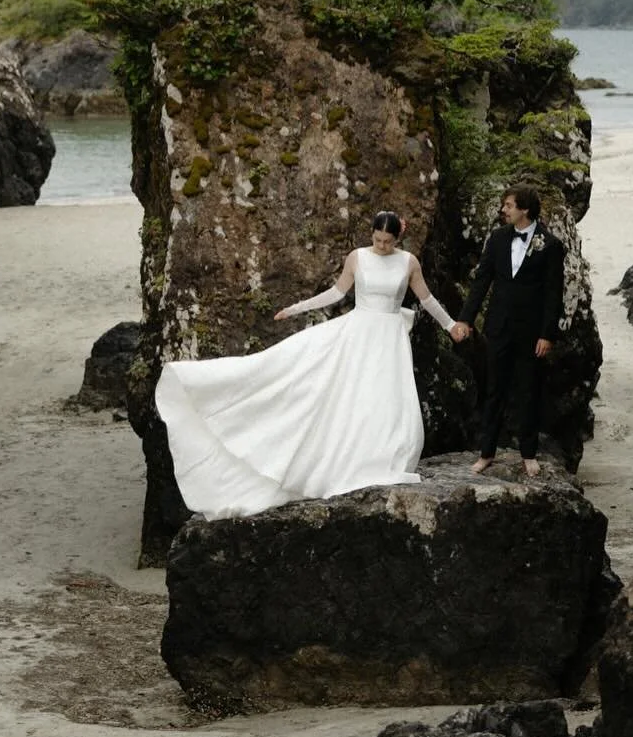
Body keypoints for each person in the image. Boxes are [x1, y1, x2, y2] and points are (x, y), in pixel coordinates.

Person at [155, 211, 459, 518]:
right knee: (337, 389)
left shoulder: (408, 262)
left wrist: (450, 326)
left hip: (389, 338)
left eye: (387, 241)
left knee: (385, 398)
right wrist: (297, 308)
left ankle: (380, 456)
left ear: (397, 239)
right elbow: (337, 293)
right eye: (376, 239)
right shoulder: (357, 258)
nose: (380, 246)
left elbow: (427, 299)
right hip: (358, 332)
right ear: (371, 235)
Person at [453, 185, 565, 479]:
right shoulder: (499, 238)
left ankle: (528, 453)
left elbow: (554, 294)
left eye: (509, 205)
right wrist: (465, 319)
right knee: (494, 390)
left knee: (528, 391)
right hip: (499, 327)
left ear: (524, 210)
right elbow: (481, 282)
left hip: (531, 332)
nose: (504, 210)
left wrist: (547, 335)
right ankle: (486, 452)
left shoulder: (550, 245)